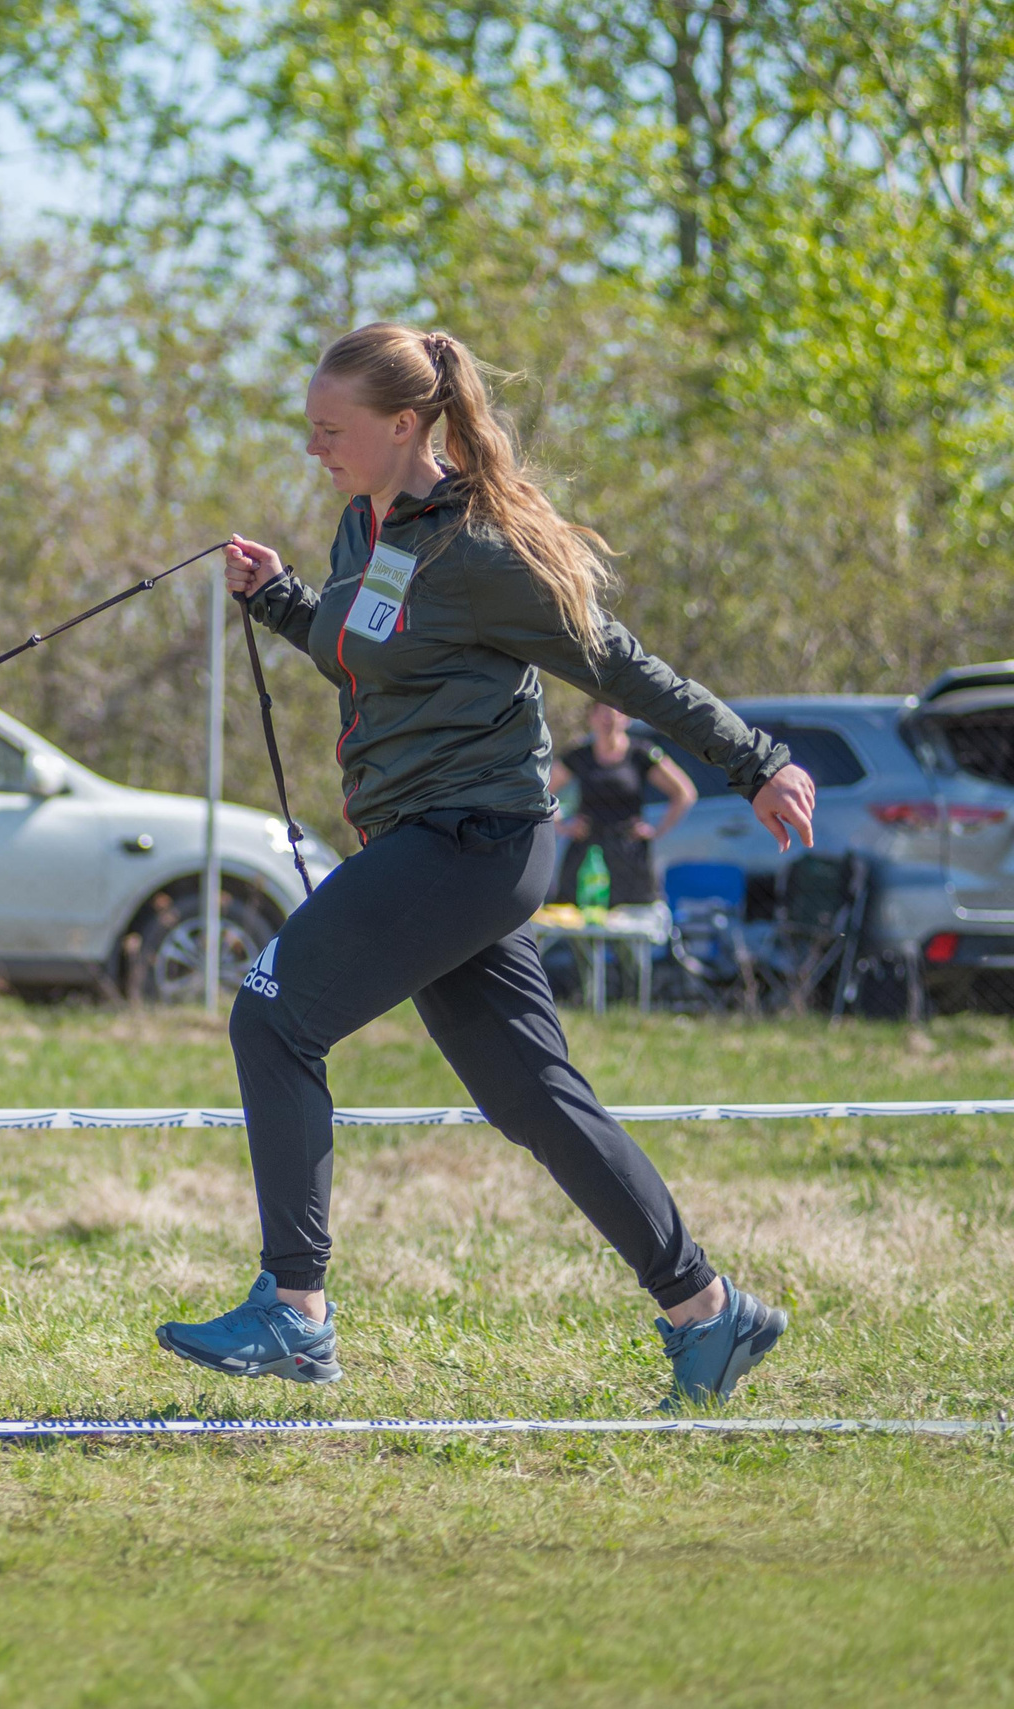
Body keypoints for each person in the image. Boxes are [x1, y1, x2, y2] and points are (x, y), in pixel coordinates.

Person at [162, 323, 818, 1408]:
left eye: (332, 428)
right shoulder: (361, 528)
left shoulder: (481, 552)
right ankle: (708, 1312)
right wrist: (279, 596)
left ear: (405, 423)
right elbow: (357, 650)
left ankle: (295, 1310)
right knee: (533, 1095)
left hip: (474, 840)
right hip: (427, 843)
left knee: (272, 1012)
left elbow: (618, 663)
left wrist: (753, 760)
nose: (313, 445)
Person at [550, 701, 697, 907]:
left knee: (632, 920)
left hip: (629, 853)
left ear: (625, 719)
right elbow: (542, 791)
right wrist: (562, 826)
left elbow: (684, 793)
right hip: (587, 854)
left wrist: (657, 830)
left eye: (613, 713)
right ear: (591, 718)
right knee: (576, 920)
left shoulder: (641, 753)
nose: (607, 720)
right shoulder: (578, 756)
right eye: (601, 713)